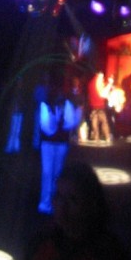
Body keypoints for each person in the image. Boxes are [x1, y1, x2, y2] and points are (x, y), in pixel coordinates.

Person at [26, 161, 131, 260]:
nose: (62, 206)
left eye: (73, 200)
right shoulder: (41, 243)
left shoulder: (107, 254)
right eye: (59, 196)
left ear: (91, 204)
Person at [38, 75, 82, 215]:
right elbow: (46, 127)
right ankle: (45, 202)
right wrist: (58, 122)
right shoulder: (45, 105)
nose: (57, 92)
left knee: (56, 172)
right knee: (47, 172)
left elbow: (70, 122)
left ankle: (53, 202)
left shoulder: (66, 103)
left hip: (60, 143)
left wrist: (62, 123)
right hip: (48, 144)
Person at [87, 72, 112, 144]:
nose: (103, 78)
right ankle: (107, 137)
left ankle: (96, 138)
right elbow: (103, 94)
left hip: (94, 107)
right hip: (99, 107)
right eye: (102, 77)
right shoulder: (98, 83)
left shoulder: (91, 83)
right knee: (103, 122)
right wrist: (109, 84)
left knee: (95, 123)